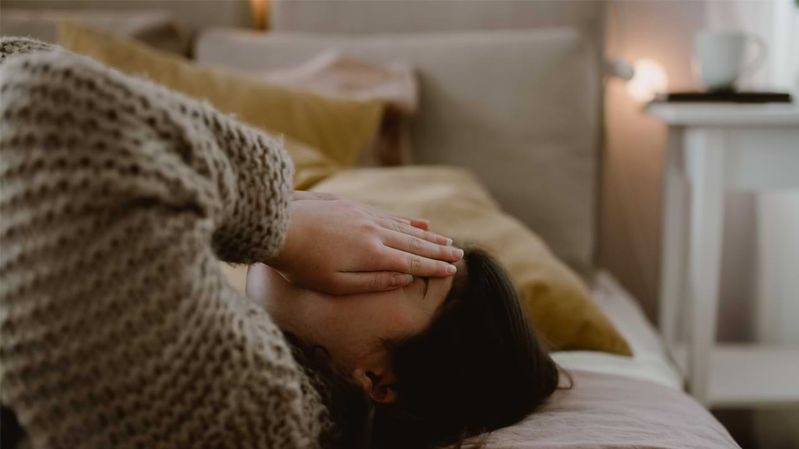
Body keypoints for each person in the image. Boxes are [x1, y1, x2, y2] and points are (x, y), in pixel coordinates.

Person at [0, 37, 559, 449]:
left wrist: (282, 218)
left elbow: (49, 103)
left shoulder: (266, 410)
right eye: (394, 235)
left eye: (407, 270)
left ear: (378, 380)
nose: (370, 239)